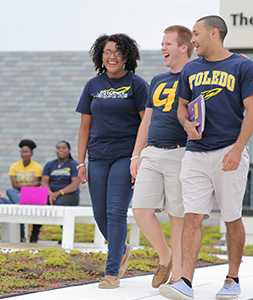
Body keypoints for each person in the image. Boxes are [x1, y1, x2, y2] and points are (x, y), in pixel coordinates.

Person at [159, 15, 253, 300]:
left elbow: (252, 110)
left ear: (213, 33)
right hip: (195, 154)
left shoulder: (243, 65)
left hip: (229, 151)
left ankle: (232, 279)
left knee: (231, 218)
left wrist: (238, 149)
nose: (192, 40)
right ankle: (185, 282)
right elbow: (182, 107)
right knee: (192, 216)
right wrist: (186, 124)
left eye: (196, 33)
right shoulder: (191, 68)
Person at [76, 33, 149, 289]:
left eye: (118, 52)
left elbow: (146, 123)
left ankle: (111, 273)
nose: (112, 56)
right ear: (101, 56)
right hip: (96, 157)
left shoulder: (137, 85)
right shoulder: (93, 86)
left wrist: (138, 156)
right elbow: (84, 127)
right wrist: (81, 162)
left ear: (127, 56)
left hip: (125, 157)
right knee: (99, 214)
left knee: (116, 211)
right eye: (108, 52)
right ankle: (121, 248)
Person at [130, 25, 193, 289]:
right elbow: (147, 121)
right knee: (140, 210)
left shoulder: (196, 76)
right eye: (162, 43)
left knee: (177, 217)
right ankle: (164, 256)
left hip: (181, 152)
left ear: (184, 47)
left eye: (168, 43)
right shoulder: (157, 80)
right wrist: (136, 155)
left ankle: (178, 276)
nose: (163, 48)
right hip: (152, 152)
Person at [29, 140, 81, 243]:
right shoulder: (50, 165)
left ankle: (66, 236)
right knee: (40, 204)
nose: (60, 150)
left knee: (59, 205)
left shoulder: (73, 164)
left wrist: (59, 193)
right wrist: (50, 193)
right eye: (58, 148)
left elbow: (75, 184)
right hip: (51, 194)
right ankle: (34, 235)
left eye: (63, 148)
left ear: (68, 150)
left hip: (69, 195)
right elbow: (44, 181)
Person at [6, 139, 43, 242]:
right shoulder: (14, 166)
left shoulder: (37, 167)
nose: (24, 154)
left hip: (31, 195)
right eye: (22, 151)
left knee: (19, 205)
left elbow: (37, 184)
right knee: (10, 191)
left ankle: (21, 203)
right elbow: (14, 185)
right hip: (18, 194)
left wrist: (23, 186)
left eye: (26, 152)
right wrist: (29, 185)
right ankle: (21, 234)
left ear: (32, 153)